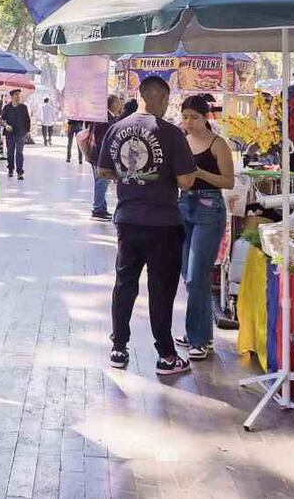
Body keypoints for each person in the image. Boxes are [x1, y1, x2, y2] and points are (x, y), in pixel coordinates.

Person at [97, 76, 196, 375]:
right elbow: (186, 181)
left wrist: (131, 177)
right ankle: (166, 355)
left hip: (128, 220)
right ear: (163, 99)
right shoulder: (170, 133)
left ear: (139, 96)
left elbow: (103, 170)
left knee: (124, 283)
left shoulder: (117, 128)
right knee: (161, 289)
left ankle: (118, 347)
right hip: (164, 222)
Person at [176, 94, 233, 361]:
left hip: (209, 209)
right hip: (183, 206)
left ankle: (199, 338)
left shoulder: (217, 144)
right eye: (185, 116)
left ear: (205, 117)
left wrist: (199, 172)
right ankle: (199, 333)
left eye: (194, 117)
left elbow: (228, 181)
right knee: (188, 274)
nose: (189, 122)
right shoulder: (181, 141)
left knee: (197, 276)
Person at [90, 95, 122, 221]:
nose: (120, 105)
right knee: (101, 182)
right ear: (112, 104)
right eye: (118, 103)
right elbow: (104, 140)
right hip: (100, 156)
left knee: (101, 182)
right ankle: (97, 210)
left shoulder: (104, 117)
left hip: (96, 155)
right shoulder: (105, 120)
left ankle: (101, 208)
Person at [1, 89, 31, 180]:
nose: (18, 96)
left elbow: (27, 120)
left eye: (19, 95)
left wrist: (28, 132)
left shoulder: (23, 107)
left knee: (19, 152)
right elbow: (2, 120)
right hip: (10, 134)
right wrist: (6, 125)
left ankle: (19, 172)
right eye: (16, 95)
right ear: (12, 96)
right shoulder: (6, 108)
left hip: (20, 133)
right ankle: (10, 169)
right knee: (10, 153)